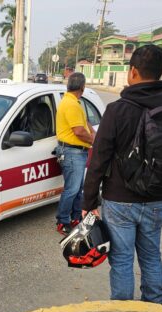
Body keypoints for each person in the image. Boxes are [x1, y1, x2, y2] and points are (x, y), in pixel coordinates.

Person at [81, 45, 162, 304]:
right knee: (152, 256)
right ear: (161, 72)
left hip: (119, 200)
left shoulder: (118, 110)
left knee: (121, 259)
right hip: (156, 198)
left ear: (132, 72)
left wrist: (88, 203)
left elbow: (98, 159)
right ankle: (155, 310)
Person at [54, 72, 96, 235]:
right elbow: (79, 131)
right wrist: (94, 141)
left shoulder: (74, 102)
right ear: (82, 87)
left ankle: (75, 218)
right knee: (72, 189)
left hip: (76, 152)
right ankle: (63, 221)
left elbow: (84, 123)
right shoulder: (71, 104)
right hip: (72, 152)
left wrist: (93, 134)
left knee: (77, 188)